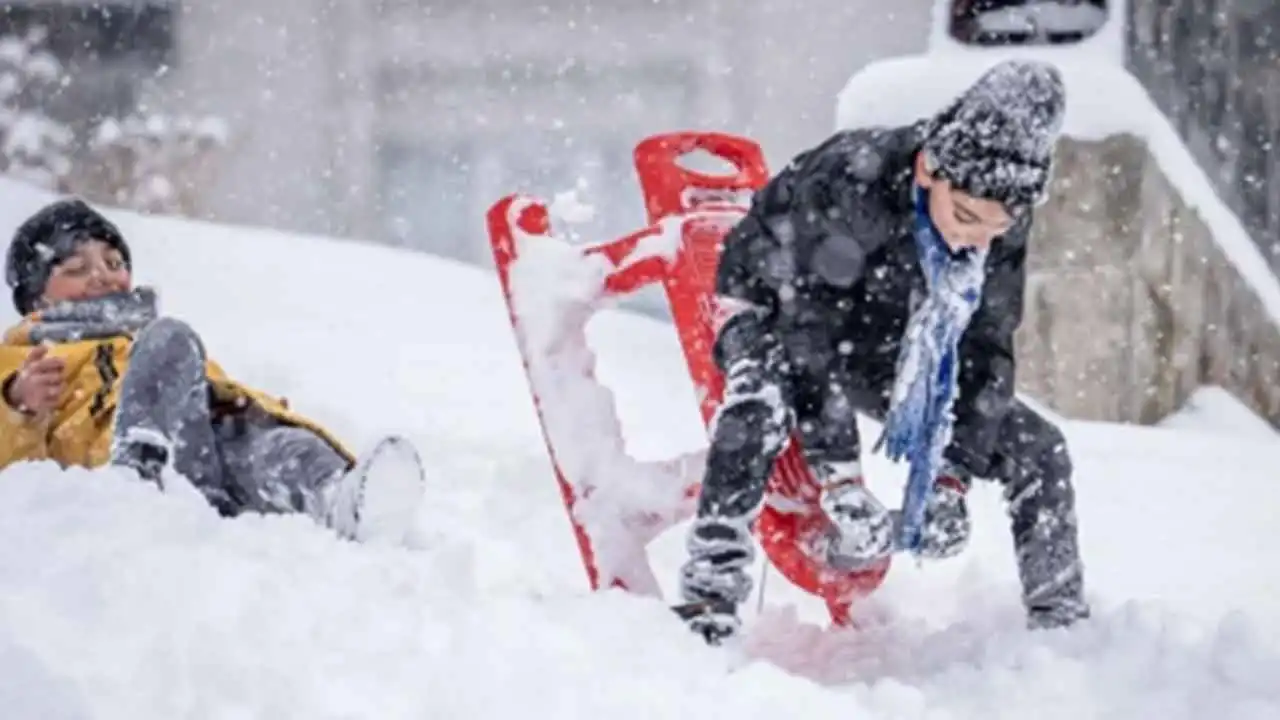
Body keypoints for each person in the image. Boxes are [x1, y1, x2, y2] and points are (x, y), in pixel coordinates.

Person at [676, 59, 1090, 644]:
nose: (972, 240)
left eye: (993, 230)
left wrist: (953, 477)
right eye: (965, 217)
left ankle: (1062, 632)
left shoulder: (997, 214)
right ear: (928, 169)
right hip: (774, 301)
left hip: (883, 329)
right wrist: (839, 479)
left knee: (1039, 447)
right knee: (762, 399)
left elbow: (986, 344)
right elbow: (809, 332)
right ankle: (708, 599)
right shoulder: (852, 180)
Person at [0, 198, 424, 543]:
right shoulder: (23, 359)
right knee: (171, 339)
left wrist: (255, 412)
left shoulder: (142, 336)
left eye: (114, 263)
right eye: (76, 269)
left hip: (205, 452)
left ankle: (338, 497)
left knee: (275, 448)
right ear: (36, 300)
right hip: (124, 463)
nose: (102, 277)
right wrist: (18, 406)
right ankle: (141, 478)